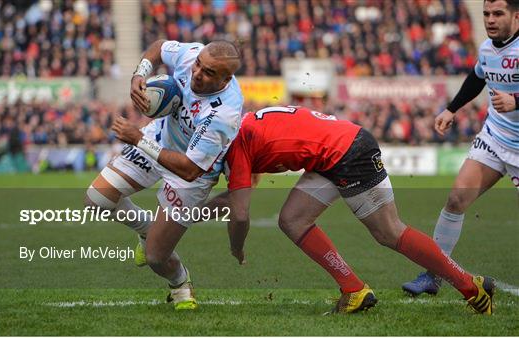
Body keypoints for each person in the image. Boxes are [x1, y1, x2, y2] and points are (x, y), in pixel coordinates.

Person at [210, 105, 495, 315]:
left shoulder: (235, 144)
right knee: (293, 219)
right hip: (335, 151)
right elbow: (244, 190)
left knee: (389, 232)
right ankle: (354, 290)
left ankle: (471, 286)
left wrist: (236, 247)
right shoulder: (242, 127)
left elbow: (240, 213)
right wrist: (192, 211)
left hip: (347, 153)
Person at [86, 39, 243, 310]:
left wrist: (137, 139)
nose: (196, 73)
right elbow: (159, 47)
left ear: (226, 79)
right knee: (96, 200)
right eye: (198, 65)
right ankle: (147, 230)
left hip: (191, 173)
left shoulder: (223, 113)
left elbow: (191, 170)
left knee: (156, 258)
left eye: (207, 72)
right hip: (159, 137)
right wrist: (139, 74)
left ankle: (180, 282)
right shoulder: (193, 55)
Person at [402, 0, 519, 297]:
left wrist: (516, 101)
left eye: (498, 14)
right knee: (456, 198)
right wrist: (451, 109)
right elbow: (477, 78)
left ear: (516, 15)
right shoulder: (487, 49)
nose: (490, 20)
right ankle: (435, 273)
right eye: (486, 14)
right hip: (495, 137)